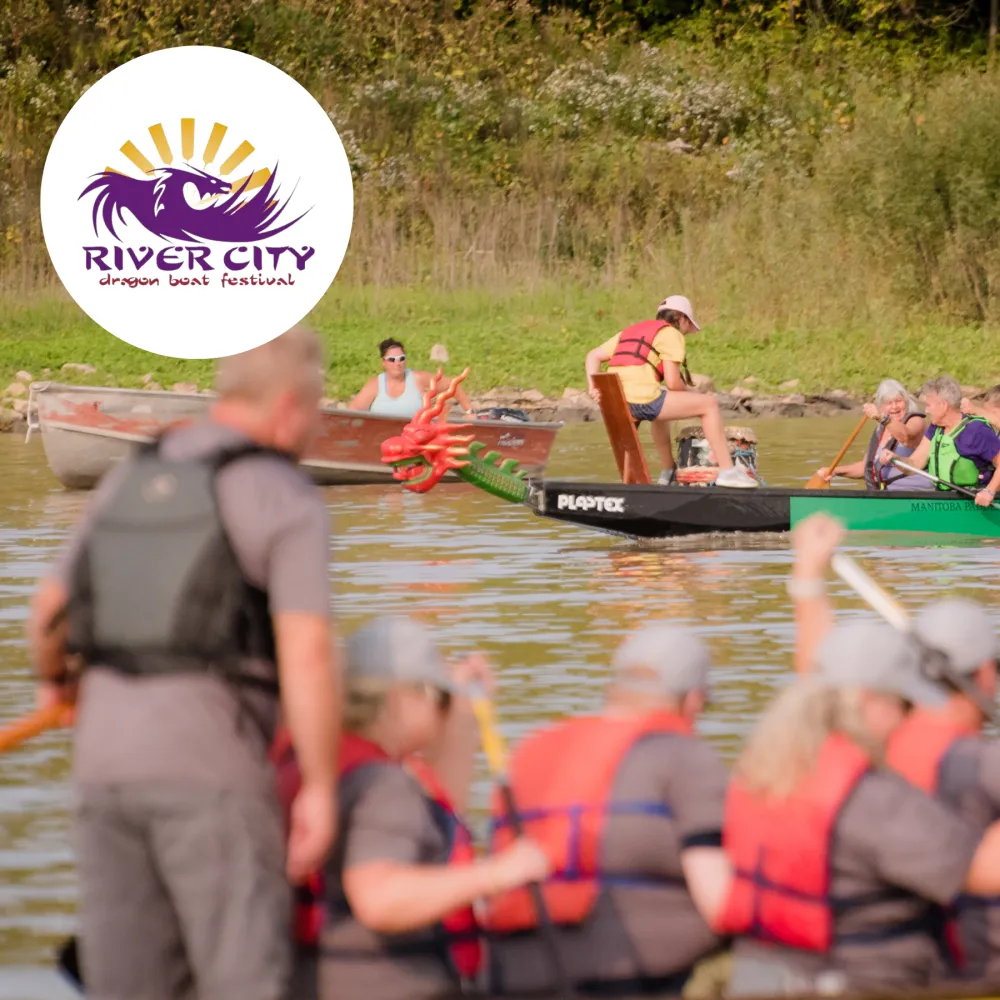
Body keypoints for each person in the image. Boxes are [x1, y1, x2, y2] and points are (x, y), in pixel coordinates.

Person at [27, 326, 342, 1000]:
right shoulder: (279, 492)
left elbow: (46, 615)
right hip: (210, 773)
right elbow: (308, 654)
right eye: (316, 411)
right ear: (290, 404)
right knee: (243, 979)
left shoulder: (131, 476)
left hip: (104, 771)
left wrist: (57, 683)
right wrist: (318, 787)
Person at [717, 617, 1000, 996]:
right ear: (868, 701)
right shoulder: (871, 799)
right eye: (904, 702)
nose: (909, 716)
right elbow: (983, 871)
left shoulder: (762, 770)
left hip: (762, 976)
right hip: (855, 984)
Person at [789, 512, 1000, 985]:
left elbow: (818, 682)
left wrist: (807, 579)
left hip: (889, 955)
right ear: (985, 673)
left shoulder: (873, 739)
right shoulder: (985, 765)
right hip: (972, 970)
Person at [485, 623, 732, 996]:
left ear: (613, 689)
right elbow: (721, 904)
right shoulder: (683, 756)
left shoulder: (530, 750)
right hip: (632, 980)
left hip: (512, 978)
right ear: (693, 701)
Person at [313, 615, 549, 1000]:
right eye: (438, 698)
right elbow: (379, 898)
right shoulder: (384, 787)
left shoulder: (333, 765)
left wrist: (460, 705)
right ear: (402, 697)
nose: (442, 714)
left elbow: (443, 808)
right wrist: (499, 873)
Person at [585, 296, 758, 489]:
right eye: (688, 325)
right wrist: (692, 395)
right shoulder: (671, 334)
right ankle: (728, 472)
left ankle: (668, 472)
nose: (686, 331)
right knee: (708, 405)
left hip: (617, 404)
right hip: (642, 401)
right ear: (681, 318)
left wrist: (593, 387)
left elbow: (593, 355)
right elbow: (673, 382)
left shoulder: (630, 331)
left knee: (661, 413)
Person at [881, 374, 1000, 506]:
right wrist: (895, 459)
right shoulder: (935, 428)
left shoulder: (976, 430)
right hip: (944, 499)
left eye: (929, 405)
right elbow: (914, 464)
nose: (926, 410)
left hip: (976, 502)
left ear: (943, 405)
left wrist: (989, 491)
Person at [815, 378, 931, 490]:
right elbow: (866, 467)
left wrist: (882, 418)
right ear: (880, 407)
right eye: (889, 403)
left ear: (906, 402)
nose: (894, 407)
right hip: (886, 495)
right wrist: (835, 471)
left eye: (898, 401)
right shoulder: (880, 431)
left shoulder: (916, 421)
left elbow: (906, 437)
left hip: (915, 492)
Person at [350, 338, 476, 419]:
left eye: (401, 358)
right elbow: (352, 414)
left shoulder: (418, 379)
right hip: (383, 442)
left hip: (417, 442)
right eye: (392, 360)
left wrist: (469, 411)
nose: (397, 363)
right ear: (384, 363)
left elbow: (452, 384)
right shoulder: (374, 385)